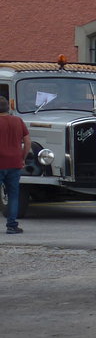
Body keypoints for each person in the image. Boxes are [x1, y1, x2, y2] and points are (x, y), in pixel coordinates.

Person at [0, 95, 31, 234]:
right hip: (14, 163)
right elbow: (28, 142)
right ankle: (12, 226)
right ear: (8, 107)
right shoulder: (18, 121)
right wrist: (22, 158)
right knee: (13, 195)